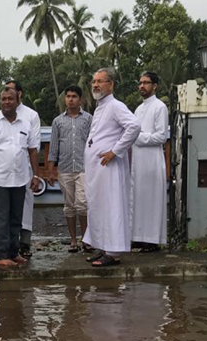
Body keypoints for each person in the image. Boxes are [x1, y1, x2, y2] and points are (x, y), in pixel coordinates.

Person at [83, 68, 140, 267]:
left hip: (110, 168)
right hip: (98, 169)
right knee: (98, 207)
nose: (96, 85)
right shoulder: (100, 106)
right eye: (94, 81)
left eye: (100, 81)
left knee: (112, 207)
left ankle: (114, 252)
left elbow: (134, 126)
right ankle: (103, 247)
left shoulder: (116, 106)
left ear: (111, 84)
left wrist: (115, 151)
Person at [0, 87, 40, 267]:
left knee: (16, 218)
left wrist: (35, 175)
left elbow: (33, 150)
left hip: (21, 178)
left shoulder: (25, 123)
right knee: (2, 218)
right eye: (3, 99)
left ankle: (14, 253)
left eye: (9, 99)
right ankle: (1, 255)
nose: (6, 102)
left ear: (17, 100)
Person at [46, 85, 93, 253]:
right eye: (68, 96)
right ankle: (73, 240)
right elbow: (53, 148)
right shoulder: (58, 121)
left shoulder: (88, 119)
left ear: (80, 99)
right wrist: (50, 171)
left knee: (82, 204)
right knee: (69, 206)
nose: (71, 99)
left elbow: (93, 143)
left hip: (84, 168)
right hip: (65, 168)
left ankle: (87, 239)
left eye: (74, 96)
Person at [131, 72, 169, 253]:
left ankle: (152, 240)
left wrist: (138, 138)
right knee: (138, 198)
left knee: (152, 199)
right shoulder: (138, 109)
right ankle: (138, 237)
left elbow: (161, 136)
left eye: (146, 83)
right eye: (140, 83)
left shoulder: (159, 107)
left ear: (154, 86)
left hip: (152, 160)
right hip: (138, 161)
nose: (142, 86)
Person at [5, 80, 41, 258]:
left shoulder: (31, 115)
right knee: (6, 208)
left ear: (19, 93)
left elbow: (35, 145)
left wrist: (35, 173)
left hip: (24, 169)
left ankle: (24, 243)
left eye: (11, 91)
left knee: (25, 207)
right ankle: (7, 245)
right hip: (4, 172)